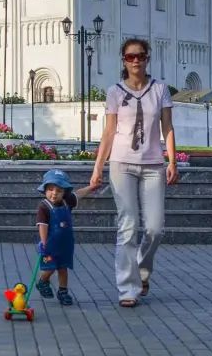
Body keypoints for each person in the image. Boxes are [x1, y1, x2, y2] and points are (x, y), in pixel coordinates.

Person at [90, 38, 179, 307]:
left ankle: (142, 271)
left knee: (154, 228)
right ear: (123, 60)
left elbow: (167, 127)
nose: (135, 61)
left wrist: (172, 161)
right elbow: (108, 132)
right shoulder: (115, 92)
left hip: (153, 164)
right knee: (127, 227)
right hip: (121, 163)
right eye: (130, 57)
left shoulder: (160, 90)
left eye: (140, 56)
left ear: (147, 58)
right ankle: (127, 289)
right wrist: (97, 168)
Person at [34, 169, 96, 306]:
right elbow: (42, 225)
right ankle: (43, 281)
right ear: (45, 189)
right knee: (50, 267)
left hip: (65, 244)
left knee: (63, 268)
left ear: (64, 192)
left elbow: (79, 194)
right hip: (49, 246)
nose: (54, 193)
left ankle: (63, 291)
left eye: (59, 191)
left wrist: (91, 187)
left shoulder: (67, 202)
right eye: (50, 189)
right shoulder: (44, 207)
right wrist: (43, 243)